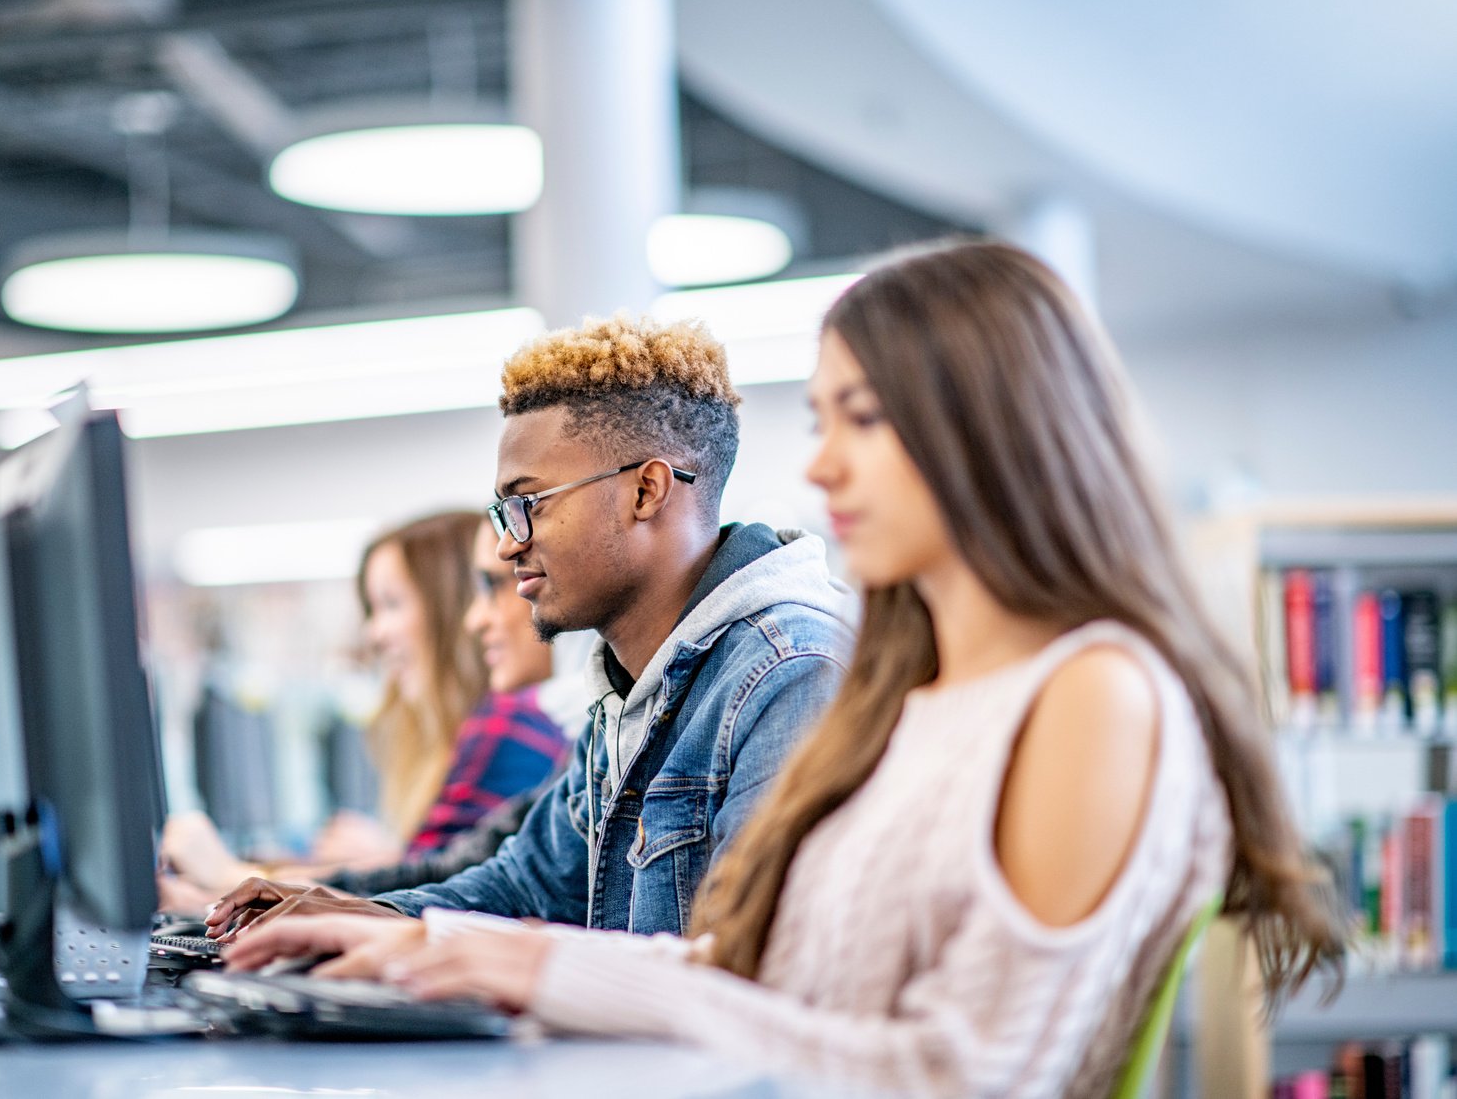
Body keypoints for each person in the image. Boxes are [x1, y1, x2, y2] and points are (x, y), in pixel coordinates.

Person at [223, 241, 1346, 1097]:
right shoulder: (911, 696)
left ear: (991, 430)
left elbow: (959, 1075)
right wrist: (448, 950)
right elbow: (760, 985)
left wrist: (525, 971)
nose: (818, 464)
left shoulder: (1091, 696)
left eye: (862, 419)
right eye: (820, 419)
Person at [205, 314, 853, 939]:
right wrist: (351, 912)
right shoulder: (627, 691)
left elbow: (750, 972)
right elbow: (523, 885)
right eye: (502, 512)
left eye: (528, 504)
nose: (509, 545)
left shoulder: (786, 672)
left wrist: (480, 954)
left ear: (646, 491)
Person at [161, 512, 568, 901]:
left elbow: (447, 892)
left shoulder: (507, 723)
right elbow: (444, 873)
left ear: (447, 605)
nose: (375, 633)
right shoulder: (498, 726)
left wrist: (234, 880)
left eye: (391, 604)